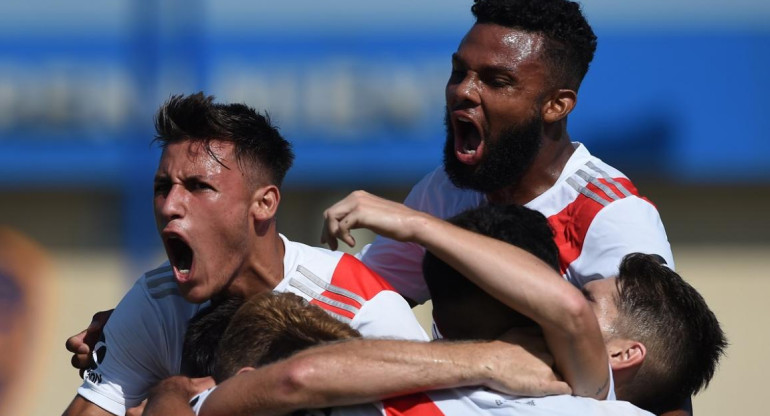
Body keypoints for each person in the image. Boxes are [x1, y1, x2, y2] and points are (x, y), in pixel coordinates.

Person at [147, 202, 724, 416]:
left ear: (621, 353)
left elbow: (299, 378)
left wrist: (417, 225)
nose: (565, 298)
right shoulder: (521, 378)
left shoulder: (593, 402)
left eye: (586, 294)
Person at [61, 93, 429, 416]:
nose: (170, 205)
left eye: (198, 186)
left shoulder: (360, 305)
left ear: (264, 204)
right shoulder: (156, 299)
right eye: (162, 187)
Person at [353, 0, 674, 305]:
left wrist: (425, 229)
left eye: (496, 81)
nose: (463, 91)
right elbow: (357, 299)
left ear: (556, 105)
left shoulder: (611, 218)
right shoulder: (444, 192)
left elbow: (636, 356)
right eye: (459, 72)